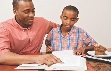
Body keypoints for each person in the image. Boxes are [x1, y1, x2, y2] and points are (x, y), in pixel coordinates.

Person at [0, 0, 62, 66]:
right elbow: (2, 56)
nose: (32, 15)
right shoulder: (4, 28)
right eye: (26, 12)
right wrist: (36, 58)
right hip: (13, 67)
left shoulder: (41, 23)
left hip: (38, 66)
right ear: (15, 11)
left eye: (33, 11)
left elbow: (62, 30)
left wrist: (51, 43)